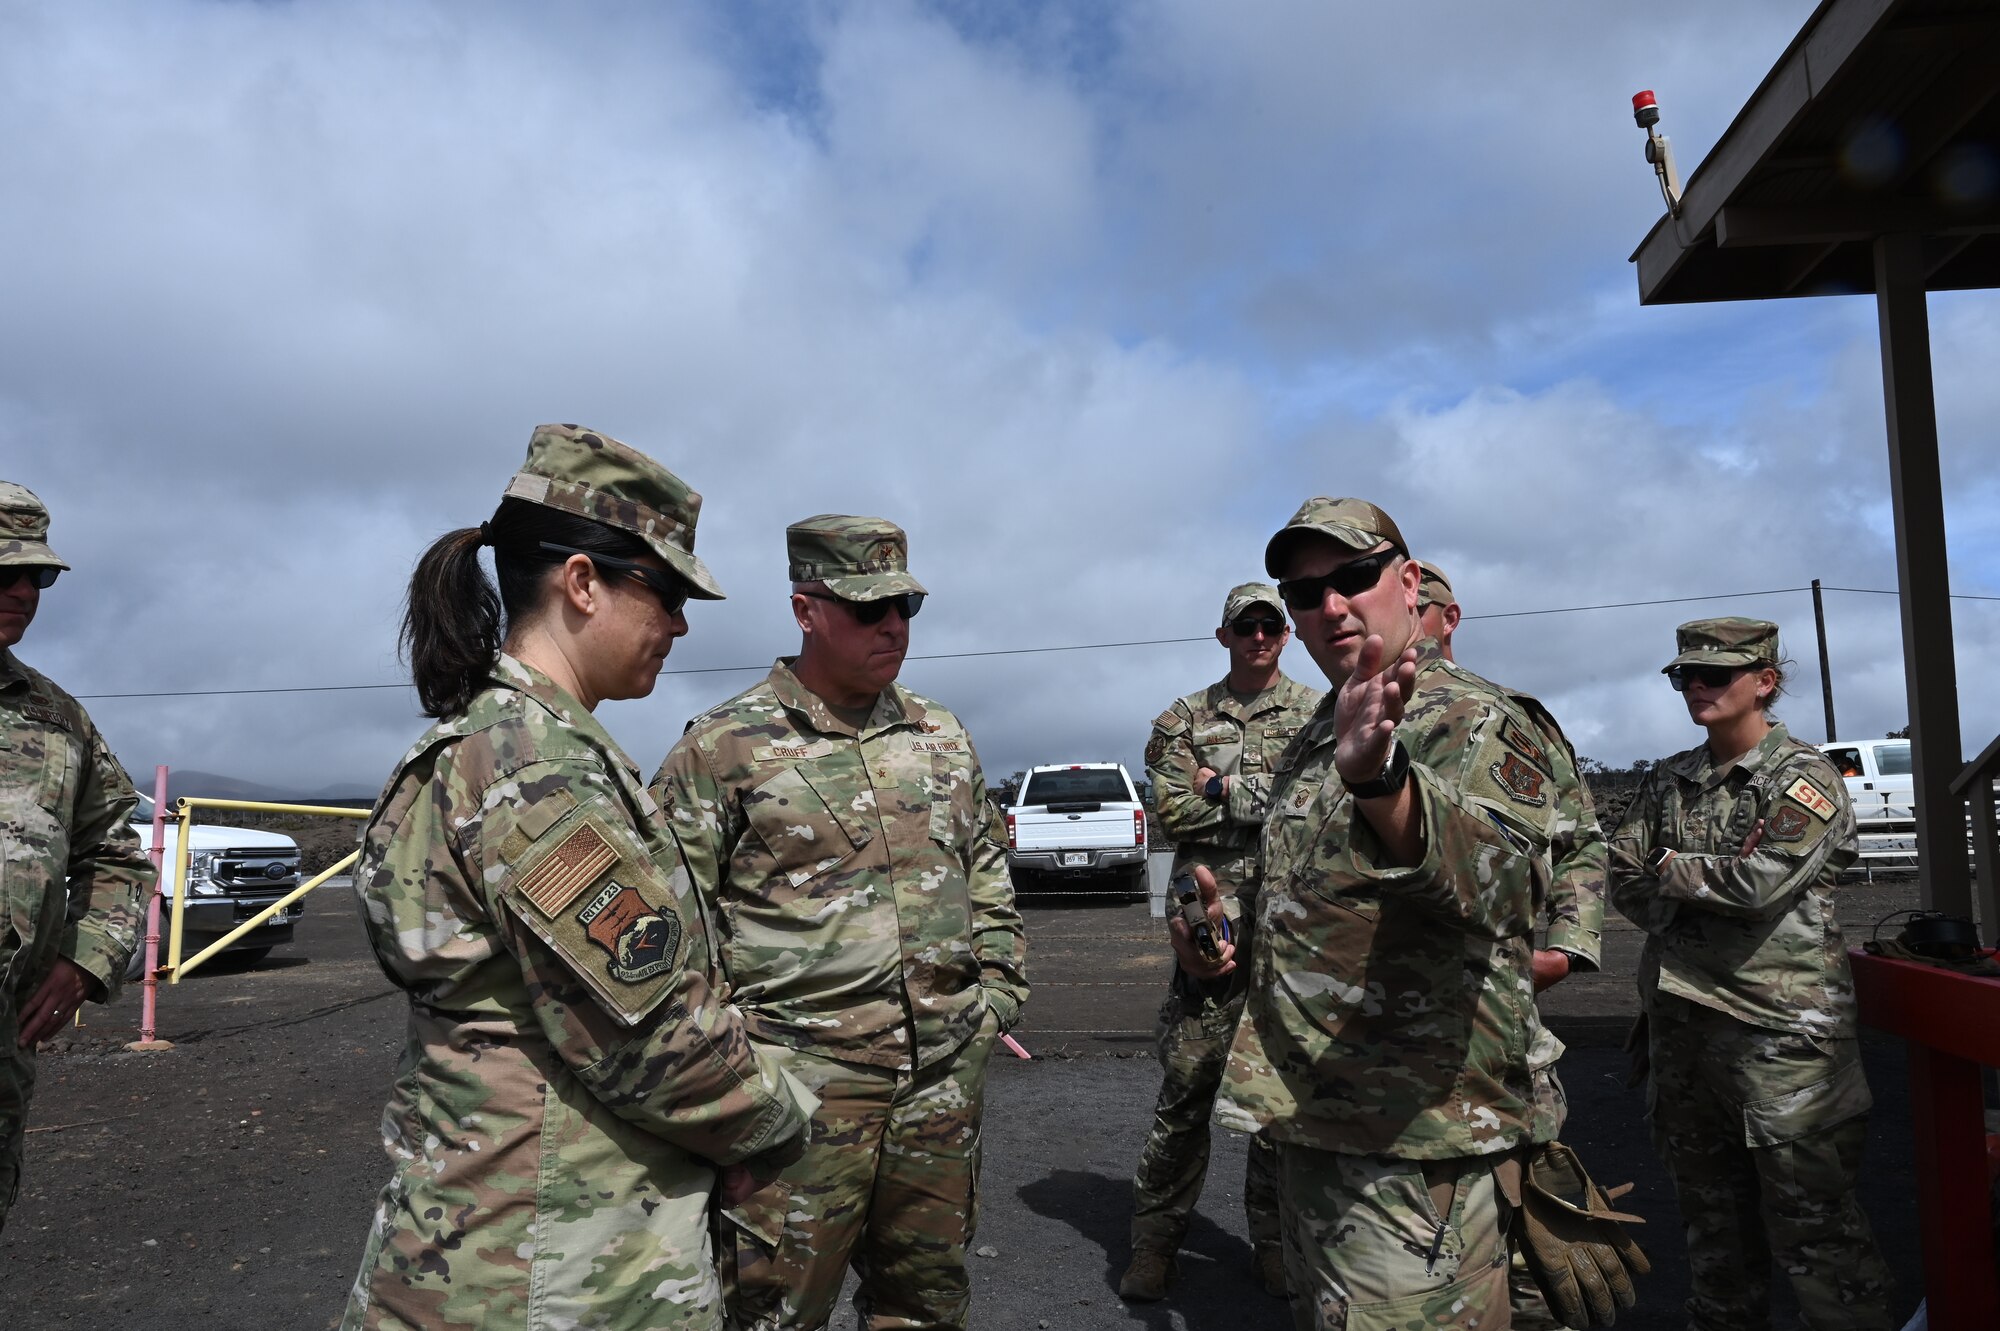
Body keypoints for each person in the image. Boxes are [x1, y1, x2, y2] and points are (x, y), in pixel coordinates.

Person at [341, 426, 814, 1331]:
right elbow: (655, 1039)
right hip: (550, 1271)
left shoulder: (517, 746)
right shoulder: (532, 768)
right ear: (582, 582)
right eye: (666, 590)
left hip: (509, 1249)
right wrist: (776, 1120)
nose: (677, 622)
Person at [1189, 497, 1563, 1330]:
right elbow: (1311, 899)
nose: (1328, 606)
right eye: (1301, 593)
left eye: (1352, 577)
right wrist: (1218, 942)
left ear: (1408, 579)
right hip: (1321, 1125)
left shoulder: (1472, 718)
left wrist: (1385, 784)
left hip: (1415, 1145)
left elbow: (1507, 888)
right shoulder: (1325, 727)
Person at [652, 514, 1029, 1331]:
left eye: (905, 608)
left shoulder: (941, 735)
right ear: (805, 608)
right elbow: (673, 940)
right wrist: (733, 1091)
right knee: (776, 1315)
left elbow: (987, 871)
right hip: (800, 1098)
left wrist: (993, 993)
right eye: (868, 608)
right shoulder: (724, 748)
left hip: (939, 1081)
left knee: (926, 1304)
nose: (892, 626)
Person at [1608, 618, 1892, 1331]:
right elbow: (1623, 878)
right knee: (1713, 1229)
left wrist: (1672, 867)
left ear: (1764, 681)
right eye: (1684, 676)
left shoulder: (1805, 776)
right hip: (1685, 1034)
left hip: (1781, 1043)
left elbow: (1760, 884)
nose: (1696, 686)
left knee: (1815, 1232)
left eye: (1714, 674)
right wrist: (1699, 884)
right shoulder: (1668, 779)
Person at [1415, 560, 1609, 1329]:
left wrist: (1564, 951)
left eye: (1418, 604)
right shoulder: (1337, 723)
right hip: (1375, 1044)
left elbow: (1581, 844)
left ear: (1448, 616)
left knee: (1522, 1233)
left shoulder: (1502, 715)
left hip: (1492, 1032)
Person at [1120, 582, 1322, 1303]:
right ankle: (1154, 1245)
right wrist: (1248, 796)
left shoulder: (1315, 713)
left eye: (1270, 624)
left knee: (1275, 1099)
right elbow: (1172, 807)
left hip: (1291, 927)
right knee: (1186, 1093)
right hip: (1208, 929)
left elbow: (1319, 805)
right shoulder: (1183, 718)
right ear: (1224, 635)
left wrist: (1223, 790)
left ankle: (1271, 1243)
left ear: (1286, 633)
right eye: (1246, 626)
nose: (1259, 636)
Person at [0, 481, 151, 1233]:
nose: (22, 591)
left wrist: (86, 958)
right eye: (4, 572)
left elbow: (118, 849)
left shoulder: (57, 719)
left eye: (38, 577)